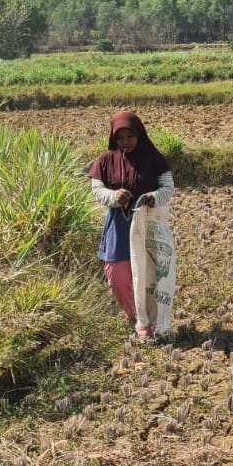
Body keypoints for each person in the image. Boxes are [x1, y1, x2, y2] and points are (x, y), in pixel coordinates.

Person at [89, 110, 175, 340]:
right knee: (118, 278)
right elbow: (97, 190)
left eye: (130, 136)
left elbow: (167, 187)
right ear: (113, 138)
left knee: (149, 277)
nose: (125, 142)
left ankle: (147, 323)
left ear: (139, 134)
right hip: (119, 226)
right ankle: (134, 315)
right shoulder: (106, 160)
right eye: (120, 138)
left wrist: (153, 197)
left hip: (147, 226)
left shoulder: (153, 158)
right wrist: (114, 196)